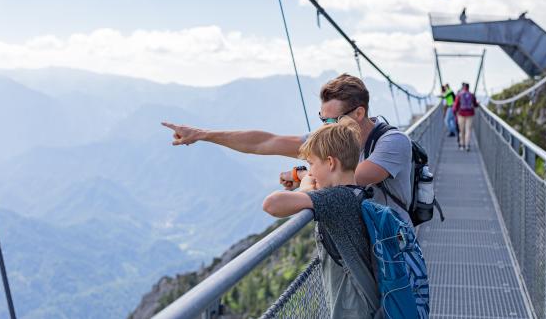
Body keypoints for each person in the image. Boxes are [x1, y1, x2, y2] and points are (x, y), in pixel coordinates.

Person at [162, 74, 413, 223]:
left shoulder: (392, 142)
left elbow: (349, 179)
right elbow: (265, 142)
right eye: (321, 119)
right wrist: (204, 134)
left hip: (394, 251)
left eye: (330, 121)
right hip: (361, 250)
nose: (324, 127)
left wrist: (300, 175)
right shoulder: (331, 139)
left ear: (359, 113)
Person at [262, 118, 381, 318]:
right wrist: (307, 177)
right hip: (365, 306)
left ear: (331, 162)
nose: (311, 171)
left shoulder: (336, 200)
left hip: (354, 311)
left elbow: (272, 204)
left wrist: (305, 187)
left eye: (311, 164)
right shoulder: (355, 194)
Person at [453, 82, 478, 152]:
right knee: (468, 130)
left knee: (462, 130)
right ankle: (467, 145)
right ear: (468, 87)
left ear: (463, 87)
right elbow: (475, 104)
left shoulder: (459, 95)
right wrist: (477, 104)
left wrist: (455, 113)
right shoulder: (472, 95)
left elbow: (455, 106)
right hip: (470, 115)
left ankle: (462, 145)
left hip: (461, 114)